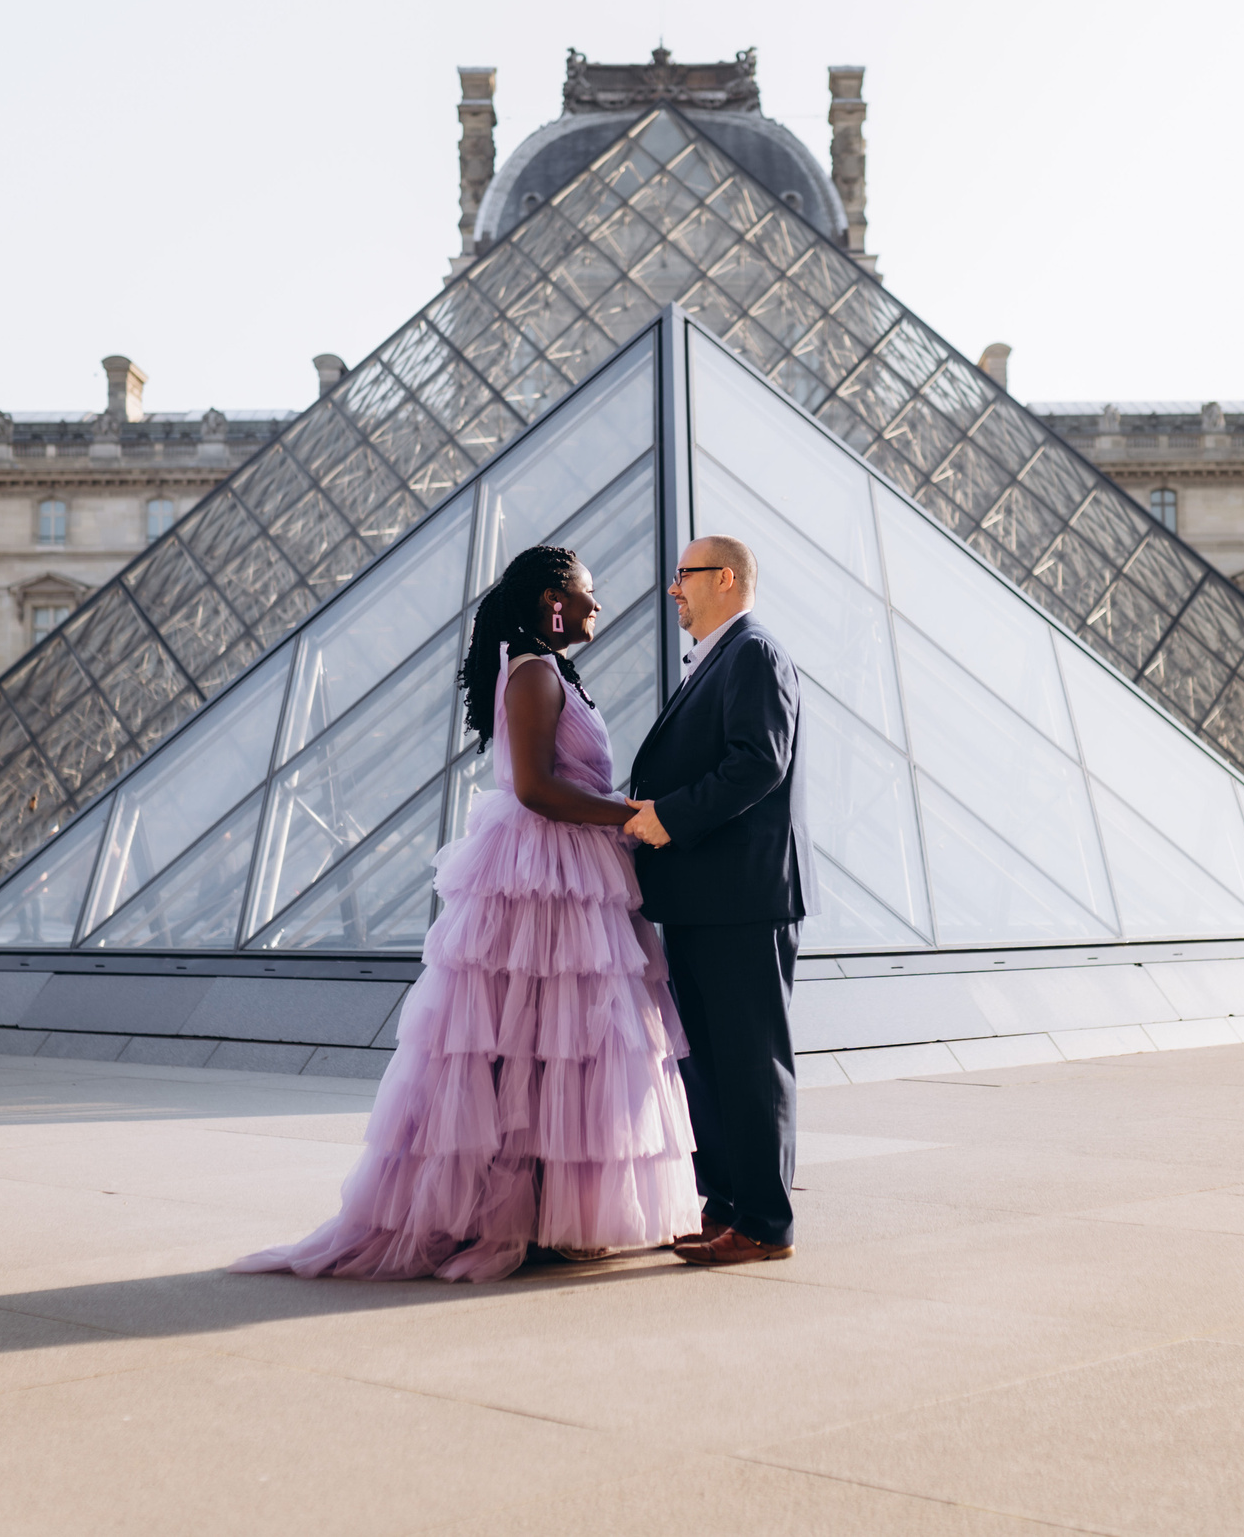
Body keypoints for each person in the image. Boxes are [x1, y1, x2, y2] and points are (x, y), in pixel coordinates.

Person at [230, 546, 699, 1282]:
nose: (596, 605)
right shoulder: (537, 672)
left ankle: (546, 1211)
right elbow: (541, 788)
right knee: (547, 1046)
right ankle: (534, 1214)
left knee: (556, 1047)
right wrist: (633, 814)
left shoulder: (541, 668)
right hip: (549, 872)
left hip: (557, 869)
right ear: (553, 600)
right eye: (587, 592)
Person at [623, 536, 818, 1267]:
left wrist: (666, 816)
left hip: (741, 898)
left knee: (749, 1061)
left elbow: (757, 761)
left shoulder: (754, 653)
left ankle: (766, 1221)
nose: (674, 588)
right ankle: (729, 1205)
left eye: (684, 575)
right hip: (709, 897)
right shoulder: (723, 657)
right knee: (712, 1062)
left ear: (725, 578)